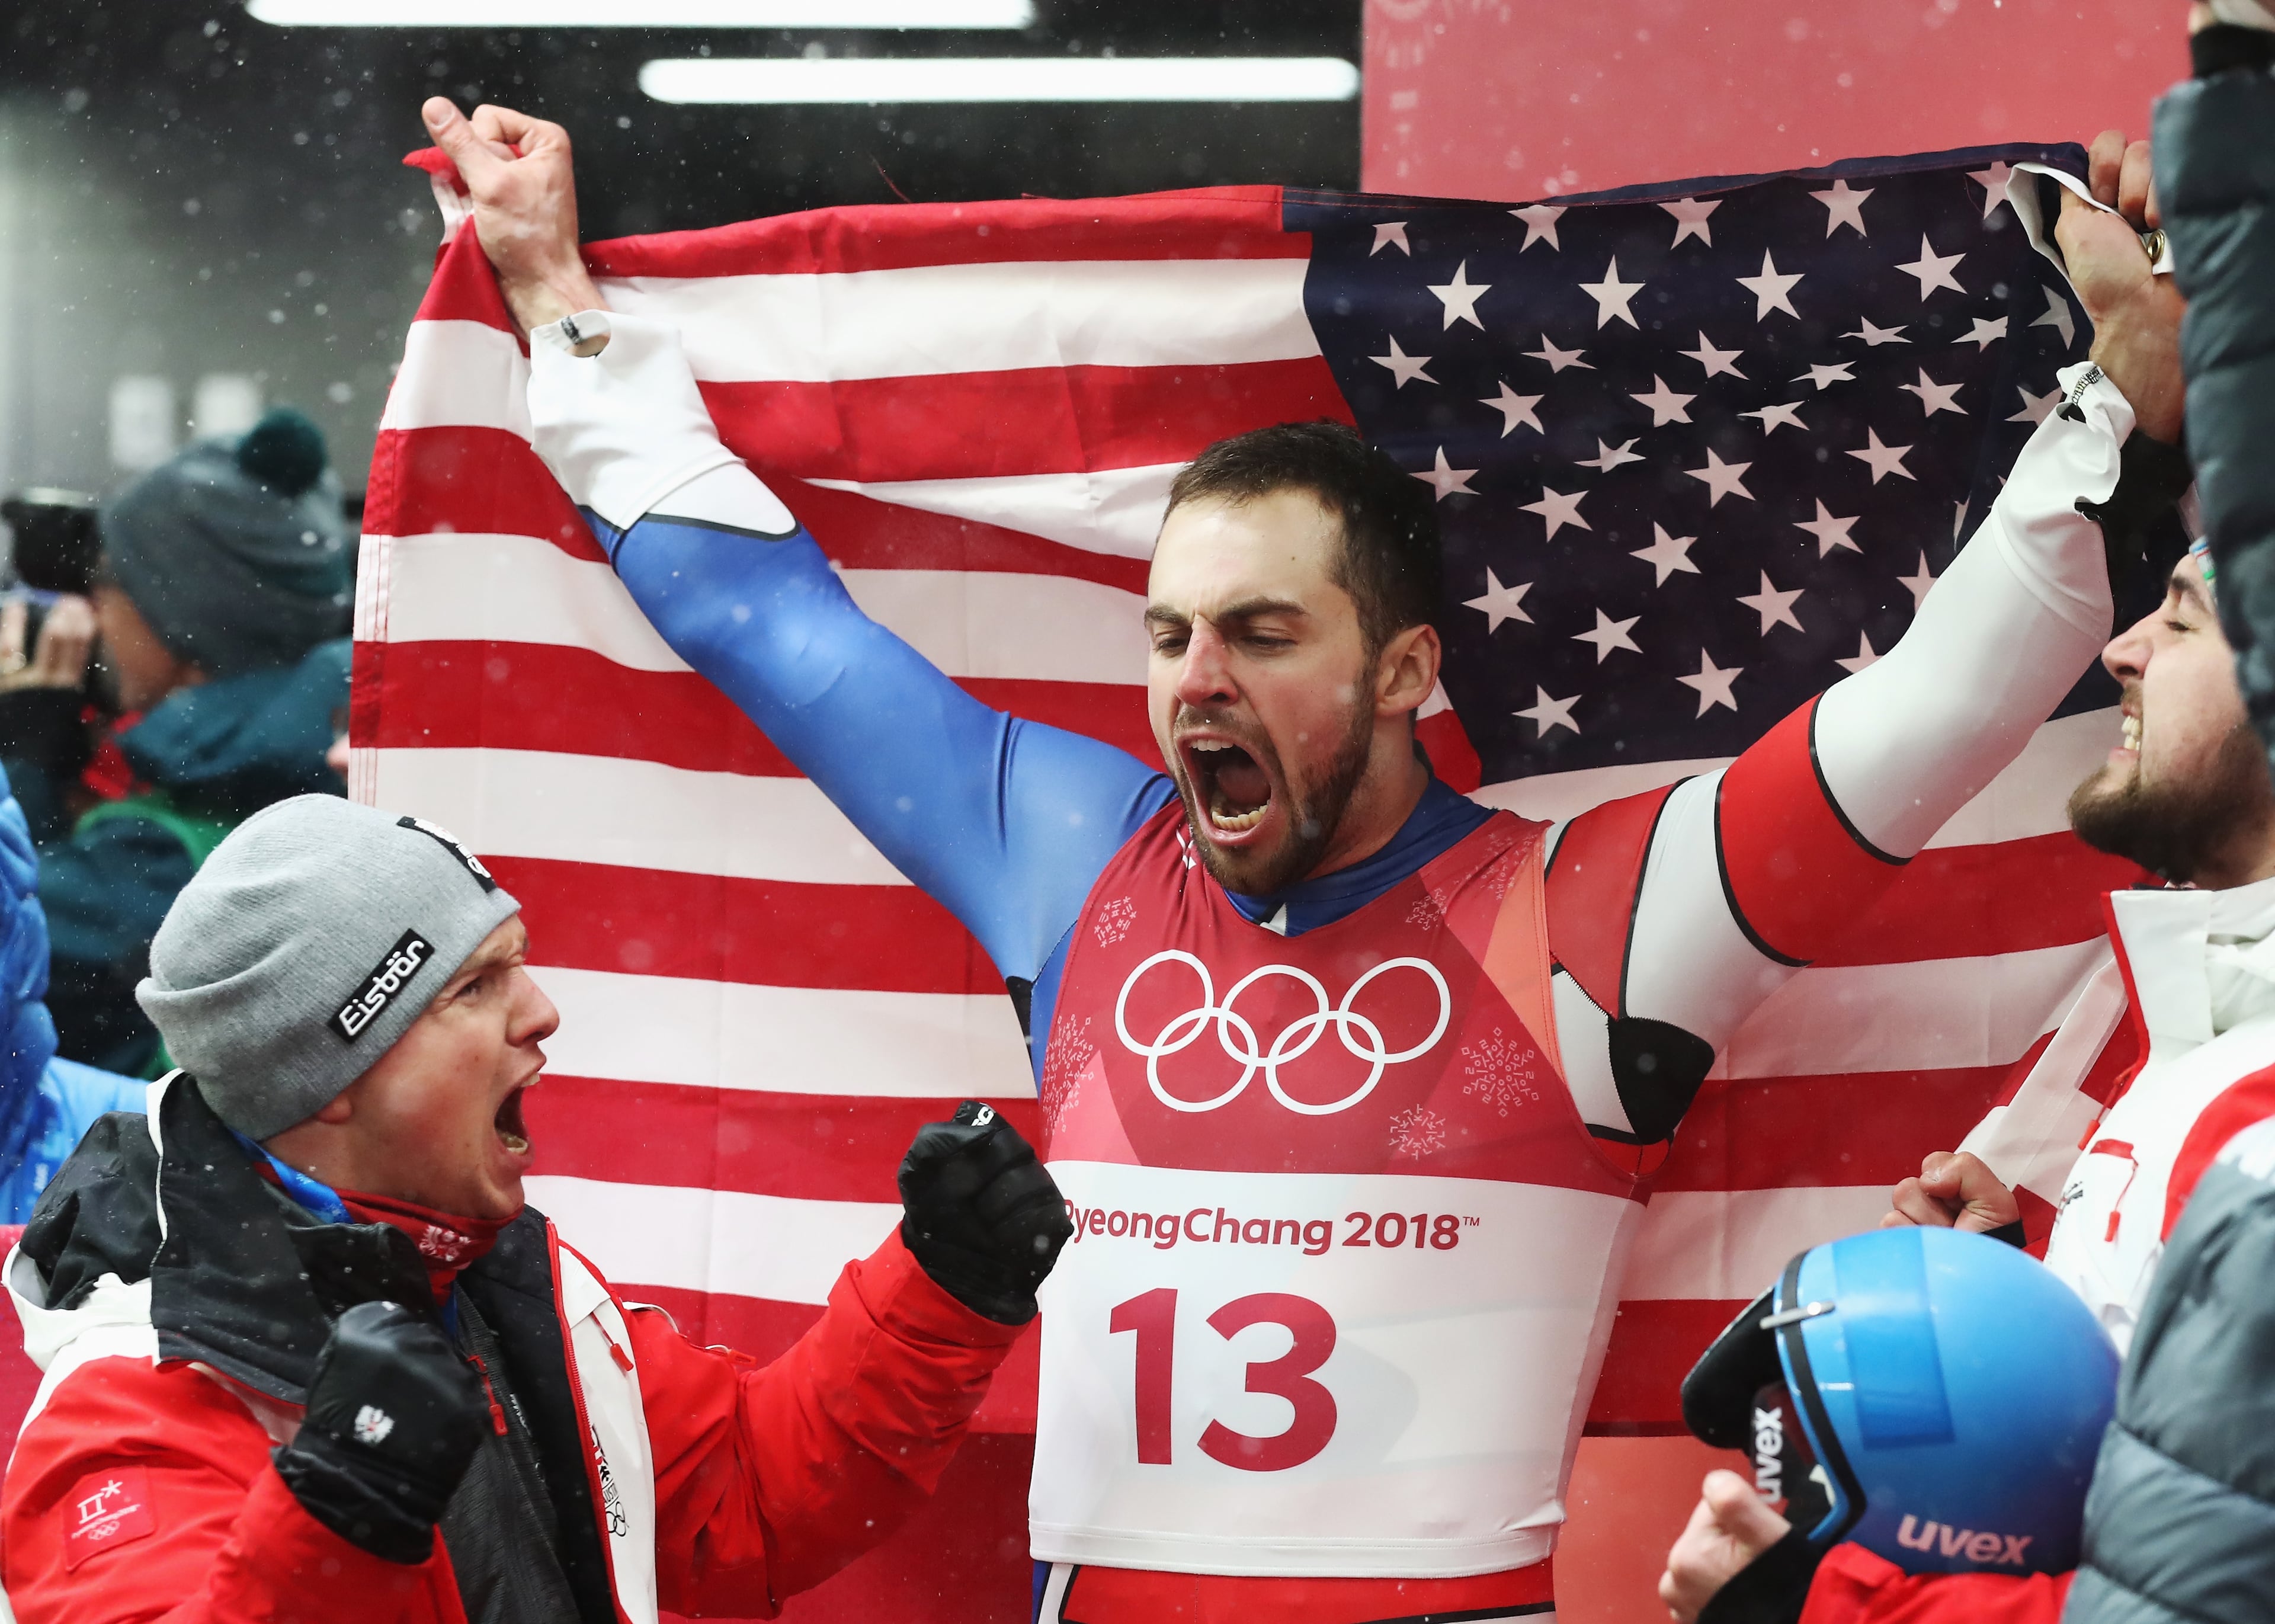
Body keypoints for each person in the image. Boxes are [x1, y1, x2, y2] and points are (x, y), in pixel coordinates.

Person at [419, 97, 2183, 1622]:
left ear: (1406, 666)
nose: (1193, 681)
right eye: (1168, 630)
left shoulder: (1590, 921)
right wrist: (561, 302)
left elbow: (1940, 702)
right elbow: (757, 615)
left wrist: (2121, 392)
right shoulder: (1075, 867)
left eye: (1261, 632)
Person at [1658, 132, 2275, 1624]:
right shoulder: (2172, 1053)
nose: (2118, 649)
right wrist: (2046, 1278)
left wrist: (1816, 1605)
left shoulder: (2245, 1122)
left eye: (2178, 618)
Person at [0, 794, 1071, 1622]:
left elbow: (739, 1497)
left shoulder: (488, 1268)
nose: (544, 1011)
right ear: (333, 1076)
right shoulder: (137, 1402)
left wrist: (944, 1286)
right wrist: (336, 1515)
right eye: (475, 987)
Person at [0, 407, 355, 1077]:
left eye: (107, 579)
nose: (94, 609)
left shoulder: (183, 849)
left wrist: (22, 764)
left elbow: (17, 949)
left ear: (182, 627)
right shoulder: (304, 758)